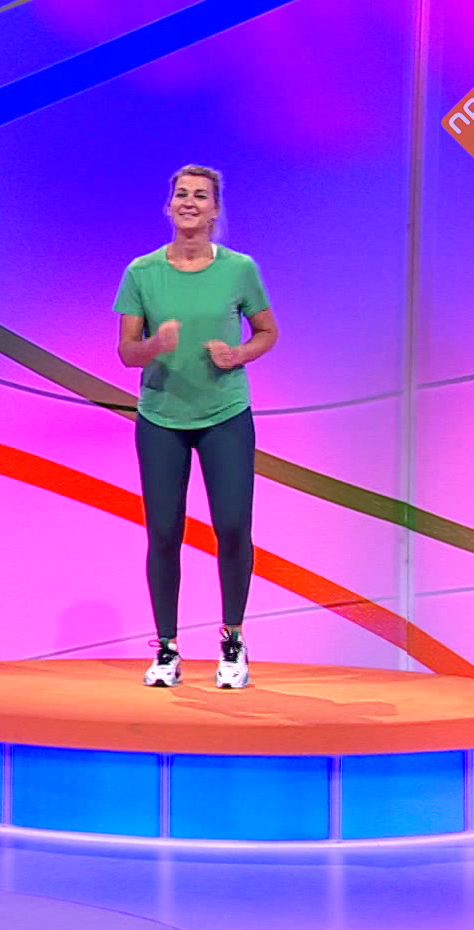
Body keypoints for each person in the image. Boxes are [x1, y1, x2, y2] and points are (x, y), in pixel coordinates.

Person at [114, 165, 278, 689]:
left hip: (226, 415)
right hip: (161, 418)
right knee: (164, 533)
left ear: (214, 210)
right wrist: (153, 346)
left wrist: (239, 353)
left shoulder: (240, 269)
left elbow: (267, 331)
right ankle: (167, 648)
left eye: (200, 196)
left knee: (232, 527)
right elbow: (126, 352)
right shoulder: (141, 272)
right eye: (181, 194)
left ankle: (233, 641)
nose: (189, 202)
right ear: (169, 207)